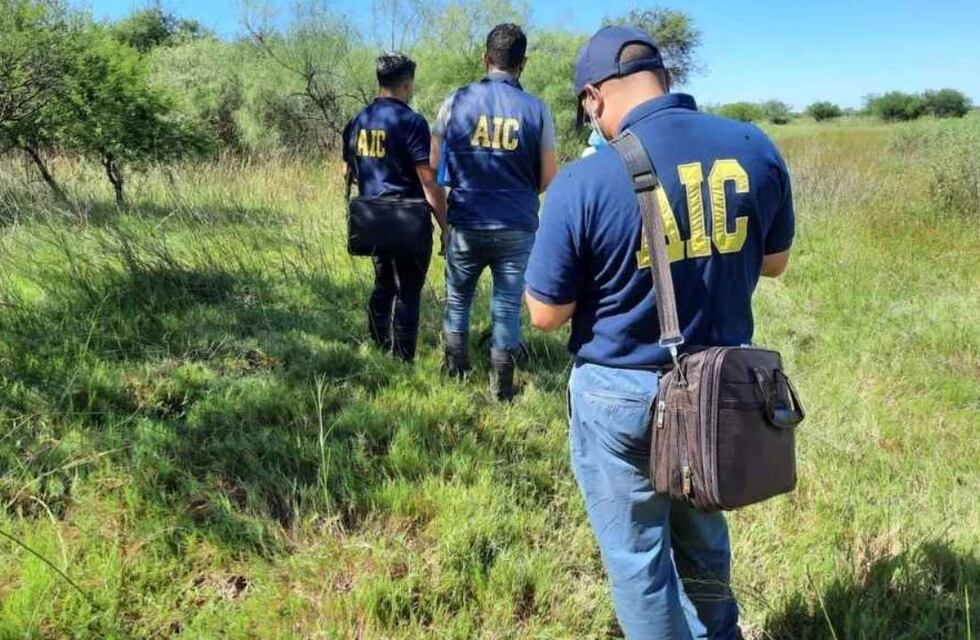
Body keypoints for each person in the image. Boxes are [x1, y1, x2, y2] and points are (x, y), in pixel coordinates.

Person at [524, 26, 795, 640]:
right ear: (663, 78)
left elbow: (545, 313)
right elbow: (775, 263)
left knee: (639, 563)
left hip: (621, 398)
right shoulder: (754, 147)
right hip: (717, 391)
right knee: (704, 540)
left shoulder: (583, 181)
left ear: (594, 97)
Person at [431, 23, 558, 400]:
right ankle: (501, 388)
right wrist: (518, 190)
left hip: (467, 219)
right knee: (505, 305)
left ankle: (456, 374)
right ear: (524, 63)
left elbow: (436, 162)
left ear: (486, 58)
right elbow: (549, 177)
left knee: (458, 298)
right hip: (516, 224)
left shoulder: (456, 100)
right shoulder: (537, 109)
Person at [342, 52, 447, 363]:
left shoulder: (357, 121)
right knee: (408, 293)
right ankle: (402, 360)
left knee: (383, 284)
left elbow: (346, 171)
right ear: (407, 83)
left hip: (373, 221)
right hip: (408, 223)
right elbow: (428, 182)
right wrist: (446, 226)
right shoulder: (411, 122)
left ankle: (377, 347)